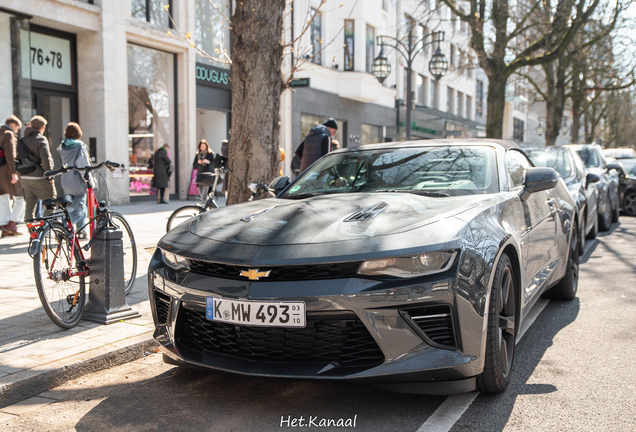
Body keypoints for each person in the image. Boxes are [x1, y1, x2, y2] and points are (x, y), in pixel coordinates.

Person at [17, 115, 56, 220]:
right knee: (51, 202)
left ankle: (33, 233)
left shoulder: (22, 140)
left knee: (29, 207)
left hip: (25, 178)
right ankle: (46, 229)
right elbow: (45, 159)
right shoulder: (41, 139)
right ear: (42, 127)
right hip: (39, 177)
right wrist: (50, 175)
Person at [58, 122, 93, 235]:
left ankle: (81, 230)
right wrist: (90, 181)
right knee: (79, 210)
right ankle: (62, 226)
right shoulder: (79, 147)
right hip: (78, 182)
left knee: (78, 207)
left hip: (66, 181)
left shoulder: (63, 146)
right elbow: (83, 165)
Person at [0, 115, 25, 237]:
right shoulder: (8, 134)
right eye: (17, 129)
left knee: (3, 198)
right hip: (7, 170)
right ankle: (11, 224)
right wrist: (14, 172)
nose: (16, 131)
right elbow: (10, 155)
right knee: (20, 198)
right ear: (13, 125)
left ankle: (5, 227)